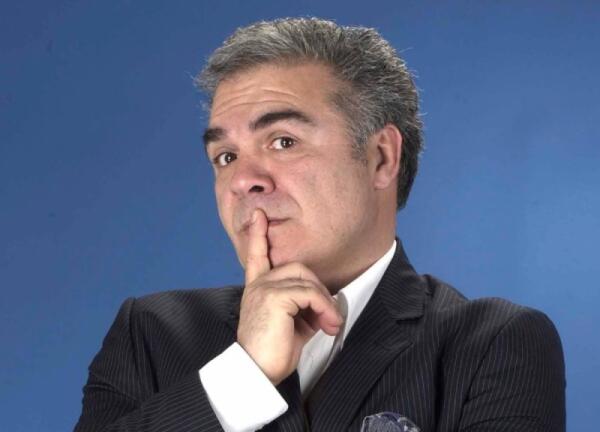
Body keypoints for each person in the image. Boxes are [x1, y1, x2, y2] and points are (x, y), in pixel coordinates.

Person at [74, 18, 565, 432]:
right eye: (225, 156)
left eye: (283, 141)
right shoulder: (150, 334)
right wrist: (242, 376)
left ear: (380, 158)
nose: (242, 180)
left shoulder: (493, 344)